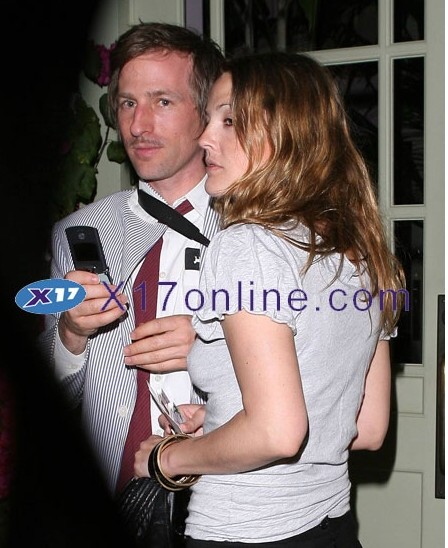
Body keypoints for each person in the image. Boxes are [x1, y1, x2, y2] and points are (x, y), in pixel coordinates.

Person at [135, 52, 406, 547]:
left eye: (229, 120)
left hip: (245, 531)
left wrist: (167, 458)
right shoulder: (361, 250)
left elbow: (277, 432)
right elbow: (366, 427)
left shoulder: (248, 245)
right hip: (332, 528)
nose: (204, 137)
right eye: (210, 118)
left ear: (284, 133)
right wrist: (224, 424)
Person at [38, 21, 224, 497]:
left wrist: (213, 348)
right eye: (127, 103)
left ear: (207, 113)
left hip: (224, 502)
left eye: (163, 102)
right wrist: (70, 335)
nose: (139, 126)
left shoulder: (255, 231)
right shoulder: (77, 234)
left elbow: (311, 386)